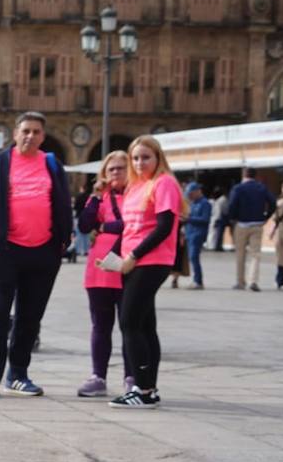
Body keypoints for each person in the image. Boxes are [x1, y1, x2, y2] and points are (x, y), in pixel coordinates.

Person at [0, 111, 72, 398]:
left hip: (44, 253)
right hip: (7, 252)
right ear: (15, 134)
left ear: (43, 136)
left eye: (36, 132)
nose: (30, 136)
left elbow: (63, 203)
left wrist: (63, 240)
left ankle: (18, 375)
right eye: (25, 130)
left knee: (30, 317)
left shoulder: (51, 165)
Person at [110, 135, 185, 409]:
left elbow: (164, 226)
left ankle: (141, 388)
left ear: (158, 158)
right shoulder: (135, 186)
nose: (140, 162)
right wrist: (115, 257)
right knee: (144, 324)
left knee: (129, 322)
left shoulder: (164, 183)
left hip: (150, 261)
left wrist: (134, 255)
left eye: (146, 157)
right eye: (135, 158)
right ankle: (149, 389)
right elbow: (130, 228)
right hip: (131, 261)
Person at [75, 151, 128, 399]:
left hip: (129, 265)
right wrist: (95, 198)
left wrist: (105, 226)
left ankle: (132, 377)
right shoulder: (101, 198)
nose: (116, 172)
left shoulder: (139, 194)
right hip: (99, 268)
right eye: (111, 169)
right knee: (100, 324)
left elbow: (130, 225)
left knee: (130, 325)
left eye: (120, 168)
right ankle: (98, 376)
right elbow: (85, 225)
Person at [227, 166, 276, 291]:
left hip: (241, 224)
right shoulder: (262, 188)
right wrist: (266, 216)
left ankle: (240, 282)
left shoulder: (237, 188)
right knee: (255, 254)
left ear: (244, 175)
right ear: (255, 176)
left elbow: (232, 205)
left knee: (240, 254)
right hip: (257, 224)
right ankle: (253, 281)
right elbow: (273, 203)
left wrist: (232, 218)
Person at [183, 182, 211, 289]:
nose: (190, 196)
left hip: (198, 234)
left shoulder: (205, 204)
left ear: (198, 192)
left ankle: (198, 281)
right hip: (190, 233)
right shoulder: (193, 203)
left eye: (191, 194)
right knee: (192, 258)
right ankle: (196, 279)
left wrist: (188, 219)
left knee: (194, 257)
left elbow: (205, 219)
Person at [209, 186, 229, 251]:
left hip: (216, 218)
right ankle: (217, 246)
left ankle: (215, 245)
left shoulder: (218, 200)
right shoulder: (223, 199)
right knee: (218, 233)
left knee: (215, 233)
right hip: (220, 218)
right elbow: (224, 210)